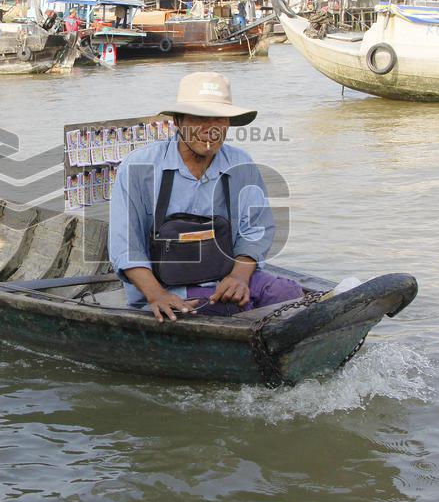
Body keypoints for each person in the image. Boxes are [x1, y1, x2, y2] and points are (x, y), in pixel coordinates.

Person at [108, 72, 304, 322]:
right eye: (199, 119)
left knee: (288, 294)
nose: (209, 130)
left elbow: (255, 231)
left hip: (225, 275)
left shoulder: (240, 163)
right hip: (167, 286)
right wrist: (156, 295)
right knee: (226, 311)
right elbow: (125, 247)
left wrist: (238, 277)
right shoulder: (139, 167)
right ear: (178, 121)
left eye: (218, 120)